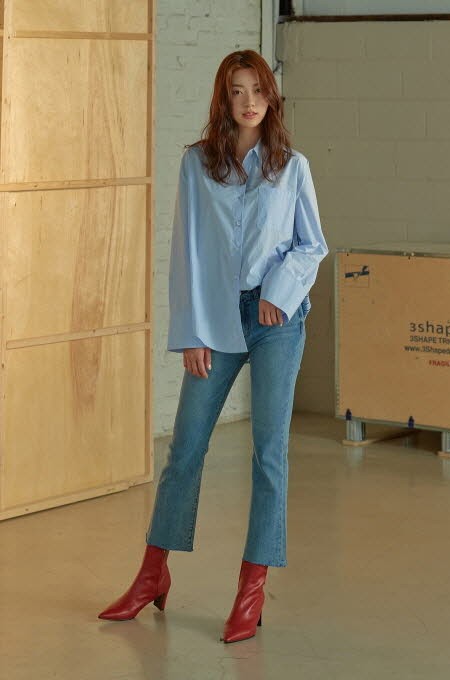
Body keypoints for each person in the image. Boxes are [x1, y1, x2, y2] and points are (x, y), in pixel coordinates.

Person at [98, 49, 329, 643]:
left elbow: (312, 245)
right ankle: (152, 574)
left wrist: (280, 291)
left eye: (258, 89)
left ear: (271, 96)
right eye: (236, 90)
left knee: (269, 453)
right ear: (223, 99)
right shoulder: (196, 164)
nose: (249, 101)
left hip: (277, 319)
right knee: (186, 447)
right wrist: (194, 332)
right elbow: (188, 253)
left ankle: (251, 590)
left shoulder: (292, 167)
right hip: (217, 319)